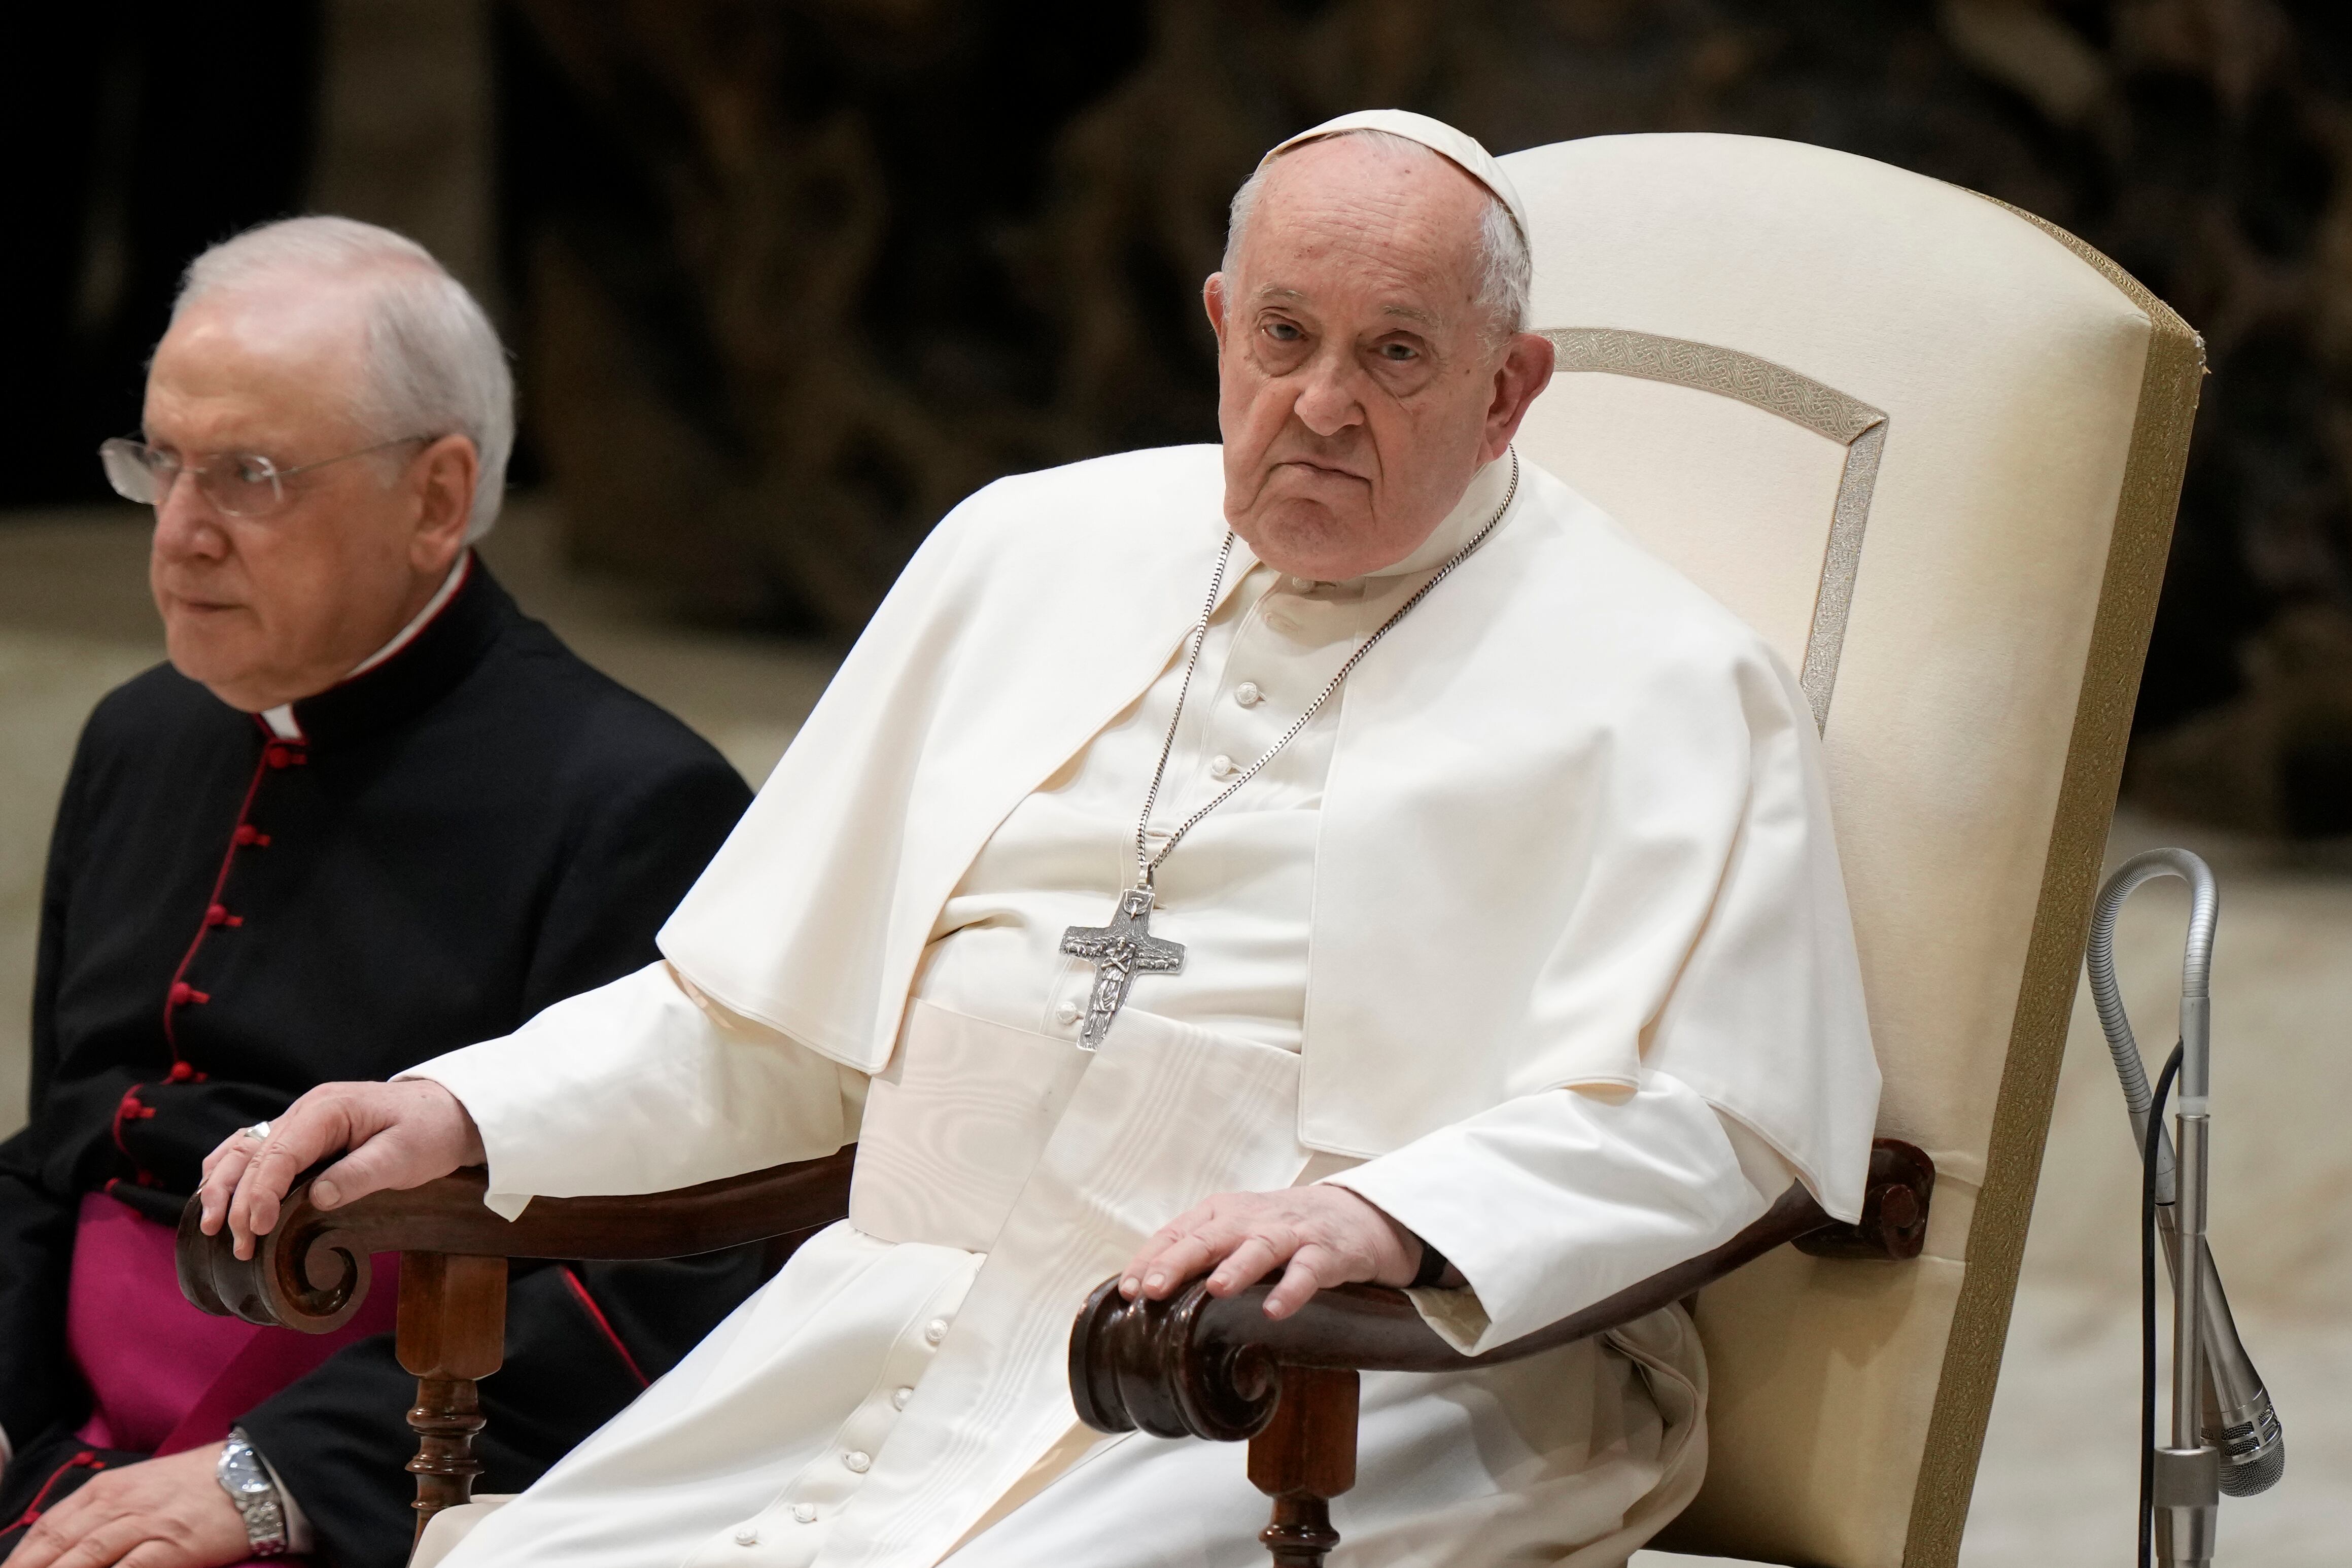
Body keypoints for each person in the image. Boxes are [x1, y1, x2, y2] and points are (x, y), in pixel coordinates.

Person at [201, 113, 1881, 1567]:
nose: (1315, 405)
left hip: (1333, 1380)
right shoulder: (1019, 551)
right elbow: (767, 1030)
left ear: (1510, 390)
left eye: (1394, 355)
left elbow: (1714, 1123)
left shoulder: (1663, 682)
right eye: (1281, 336)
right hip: (890, 1316)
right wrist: (461, 1104)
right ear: (1219, 323)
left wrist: (1389, 1214)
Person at [0, 219, 767, 1568]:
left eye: (247, 475)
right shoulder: (141, 734)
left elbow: (671, 1280)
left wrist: (271, 1478)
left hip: (361, 1481)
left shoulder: (632, 800)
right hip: (63, 1446)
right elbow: (61, 1149)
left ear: (435, 496)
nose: (180, 534)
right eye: (160, 464)